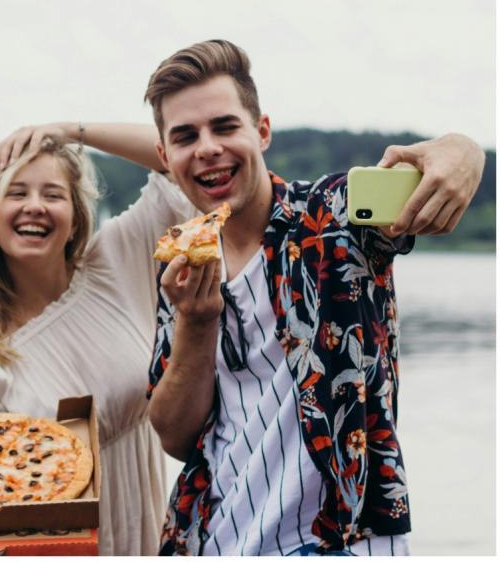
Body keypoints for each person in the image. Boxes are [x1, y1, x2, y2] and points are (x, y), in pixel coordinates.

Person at [142, 40, 485, 555]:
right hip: (212, 538)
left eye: (225, 126)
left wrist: (466, 151)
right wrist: (196, 321)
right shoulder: (181, 262)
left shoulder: (334, 215)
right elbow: (175, 437)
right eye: (186, 136)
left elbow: (448, 160)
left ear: (261, 132)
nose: (208, 147)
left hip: (342, 539)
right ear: (167, 157)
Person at [0, 133, 196, 556]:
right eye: (16, 193)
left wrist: (70, 131)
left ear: (76, 219)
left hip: (157, 527)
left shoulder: (113, 263)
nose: (35, 206)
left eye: (53, 194)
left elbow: (178, 165)